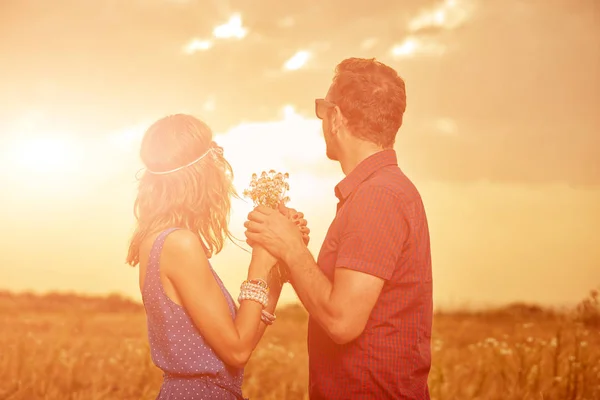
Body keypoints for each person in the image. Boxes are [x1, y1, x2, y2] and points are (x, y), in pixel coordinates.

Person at [244, 57, 433, 400]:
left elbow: (342, 322)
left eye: (322, 110)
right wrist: (288, 256)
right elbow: (339, 300)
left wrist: (292, 249)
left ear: (335, 118)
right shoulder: (378, 191)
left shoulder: (377, 197)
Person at [126, 114, 309, 399]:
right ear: (200, 174)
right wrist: (260, 258)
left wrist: (278, 261)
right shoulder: (178, 244)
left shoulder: (162, 240)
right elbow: (237, 351)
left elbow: (242, 339)